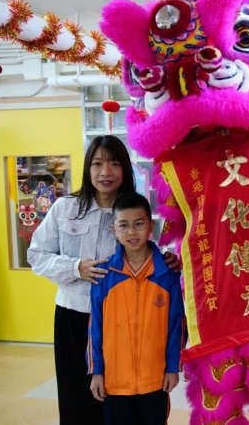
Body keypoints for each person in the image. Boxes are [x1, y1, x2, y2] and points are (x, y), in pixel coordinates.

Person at [28, 136, 180, 424]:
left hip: (120, 321)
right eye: (97, 164)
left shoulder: (132, 211)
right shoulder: (65, 208)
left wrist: (171, 260)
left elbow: (148, 251)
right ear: (88, 168)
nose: (105, 172)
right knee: (76, 399)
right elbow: (36, 255)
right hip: (73, 316)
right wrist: (75, 267)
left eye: (114, 164)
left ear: (125, 169)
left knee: (117, 402)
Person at [87, 193, 185, 425]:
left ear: (151, 225)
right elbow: (94, 328)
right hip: (115, 380)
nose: (132, 232)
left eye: (139, 224)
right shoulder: (104, 275)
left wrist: (173, 367)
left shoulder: (167, 273)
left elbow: (177, 327)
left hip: (155, 379)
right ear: (114, 229)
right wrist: (97, 371)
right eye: (124, 225)